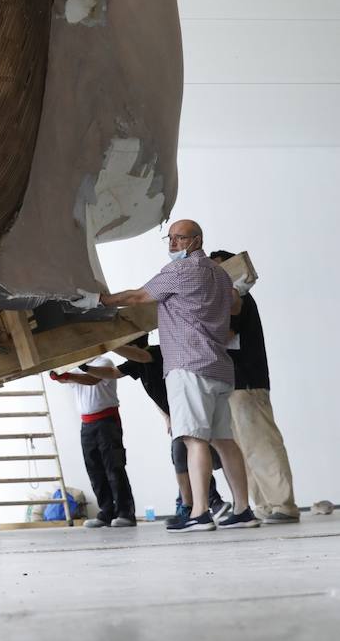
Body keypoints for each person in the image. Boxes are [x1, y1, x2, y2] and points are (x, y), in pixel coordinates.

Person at [81, 219, 259, 533]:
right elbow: (233, 305)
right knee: (224, 440)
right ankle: (243, 509)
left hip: (189, 366)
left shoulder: (179, 271)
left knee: (193, 439)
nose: (173, 243)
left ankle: (200, 512)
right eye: (171, 237)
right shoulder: (219, 274)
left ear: (197, 240)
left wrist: (97, 300)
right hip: (218, 367)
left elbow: (137, 297)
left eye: (180, 238)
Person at [79, 339, 231, 520]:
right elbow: (112, 373)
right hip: (176, 415)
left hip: (189, 409)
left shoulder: (156, 352)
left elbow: (142, 356)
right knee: (182, 458)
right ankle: (194, 504)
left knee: (188, 456)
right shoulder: (136, 362)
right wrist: (86, 368)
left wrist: (109, 344)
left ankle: (204, 503)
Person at [209, 251, 299, 523]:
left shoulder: (238, 299)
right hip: (231, 385)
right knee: (243, 448)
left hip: (246, 383)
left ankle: (283, 504)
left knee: (261, 444)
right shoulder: (227, 300)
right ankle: (265, 505)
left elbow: (227, 334)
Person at [49, 356, 136, 527]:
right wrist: (59, 375)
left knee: (114, 467)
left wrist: (66, 376)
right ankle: (107, 512)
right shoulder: (75, 366)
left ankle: (125, 513)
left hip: (107, 421)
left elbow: (91, 379)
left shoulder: (103, 363)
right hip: (87, 424)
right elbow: (68, 378)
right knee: (95, 471)